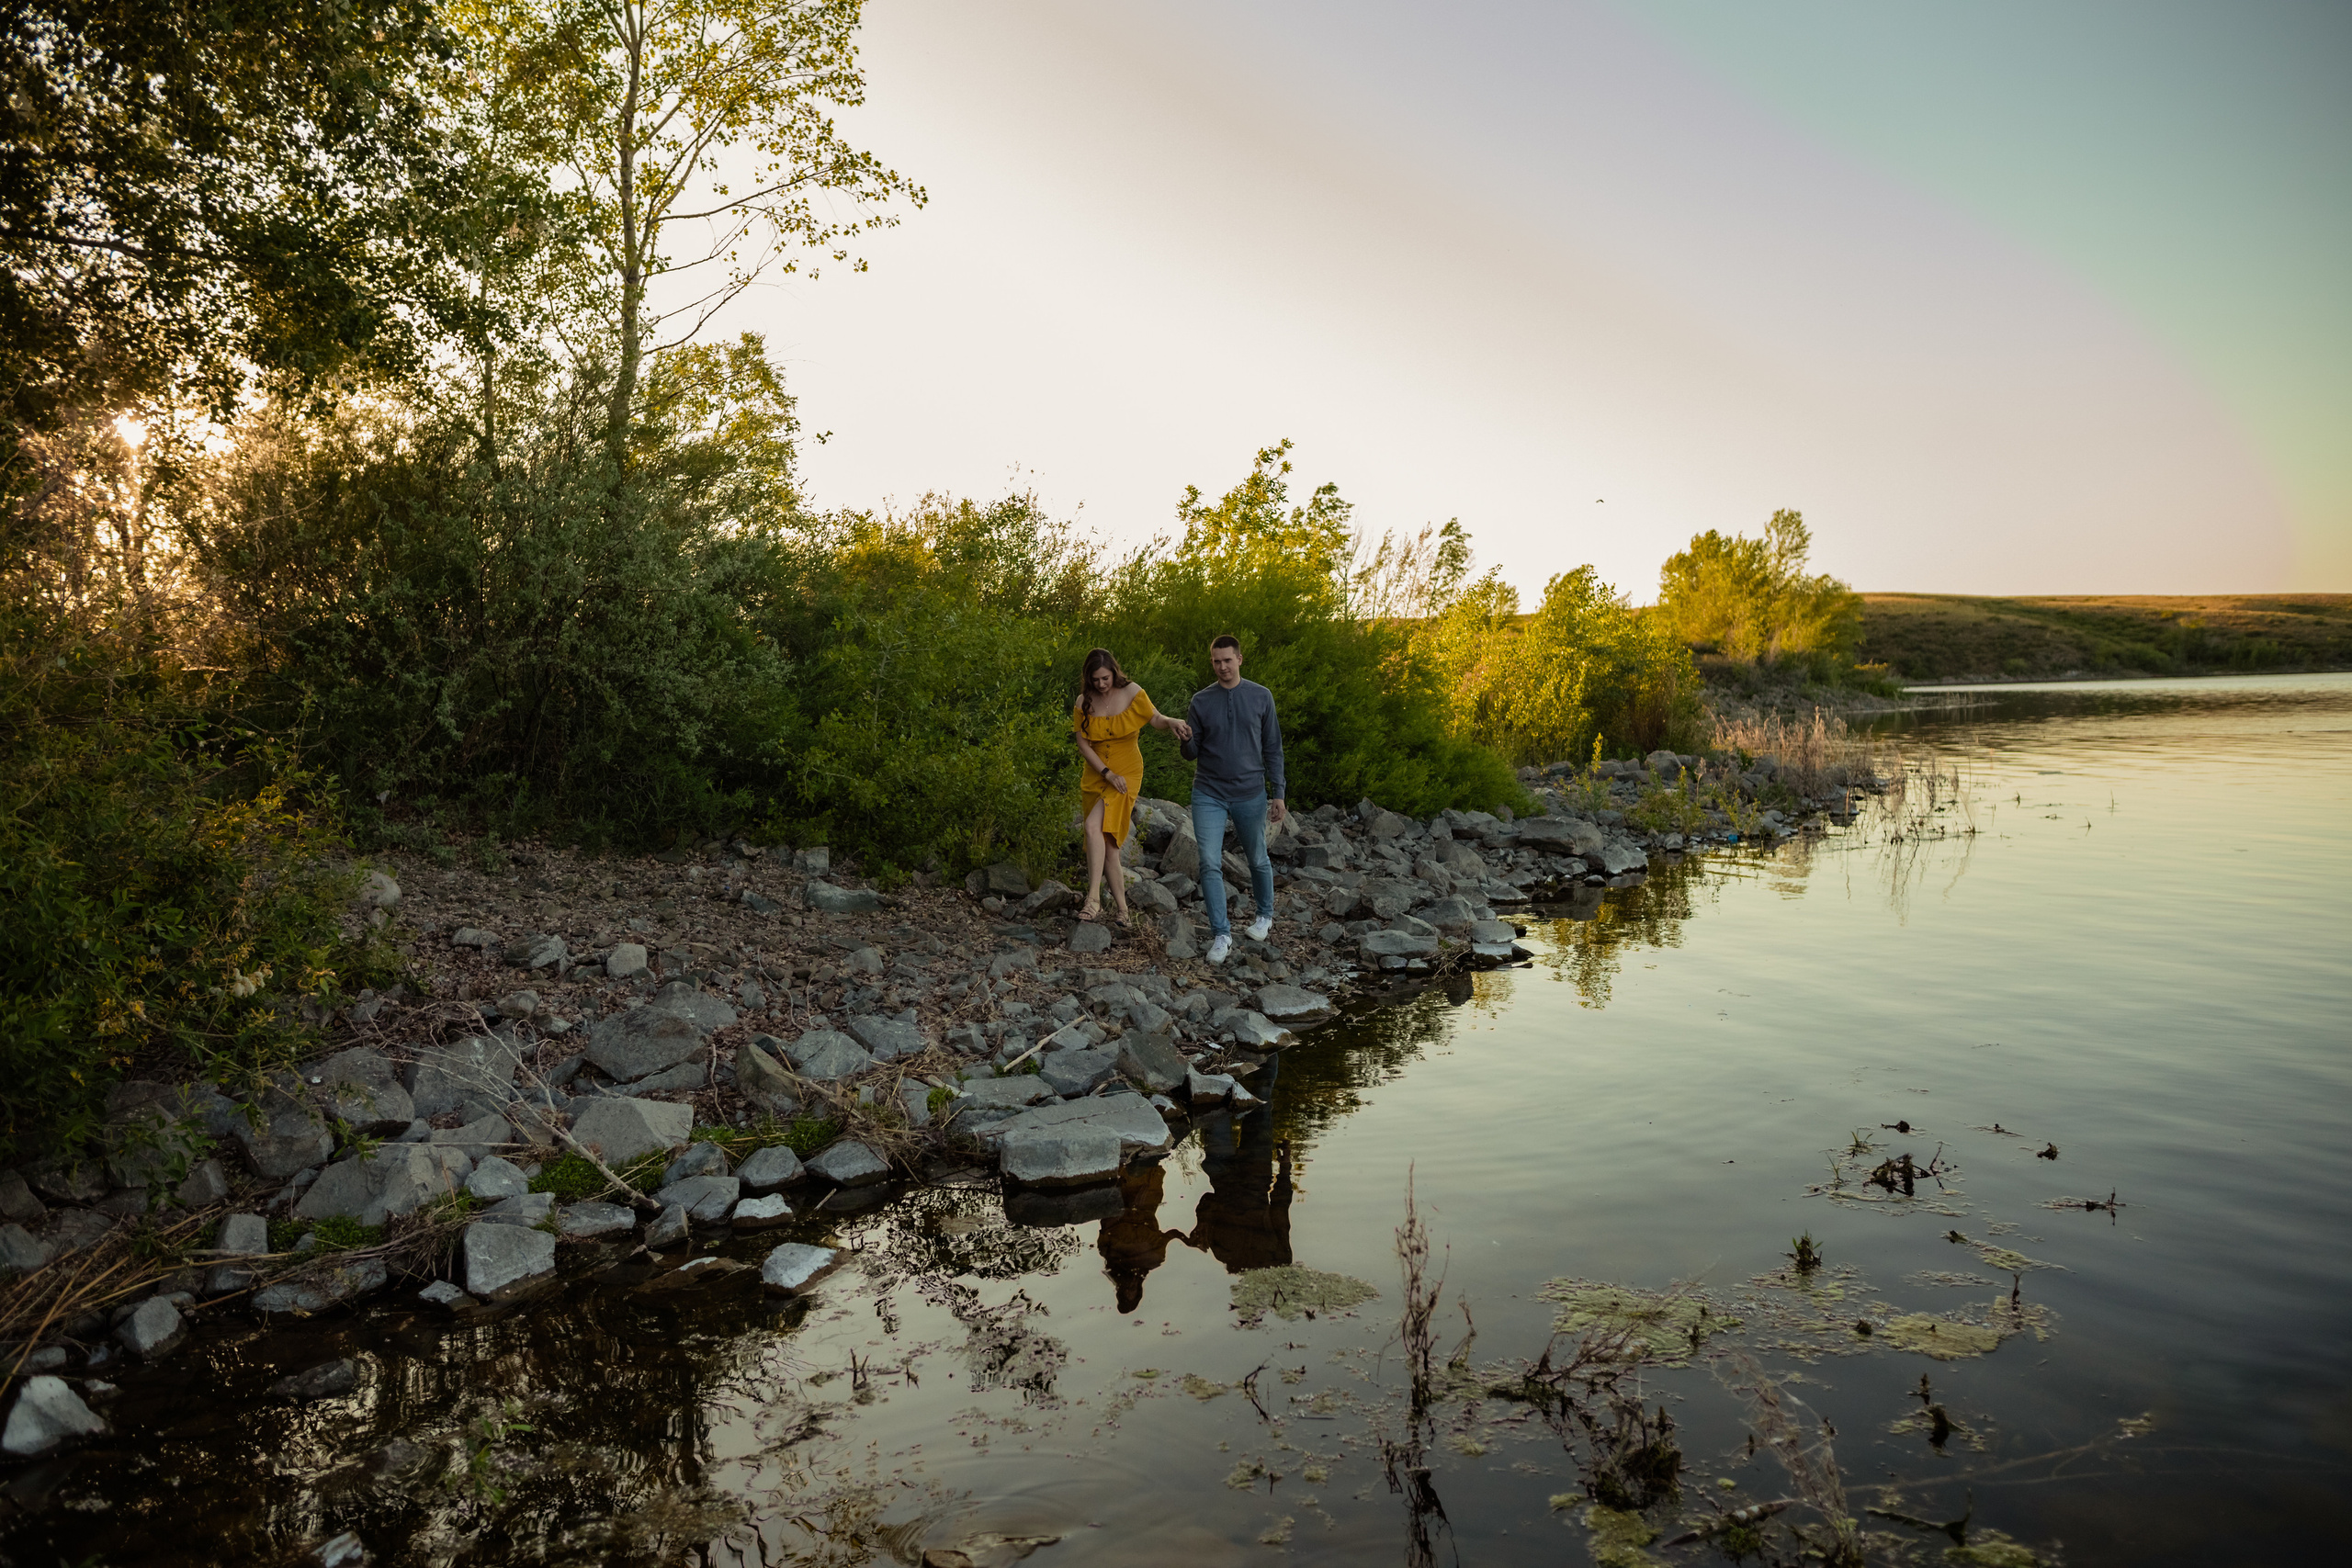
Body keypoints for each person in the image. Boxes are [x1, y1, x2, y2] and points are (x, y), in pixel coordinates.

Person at [1182, 634, 1285, 965]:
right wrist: (1184, 739)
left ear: (1239, 659)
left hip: (1250, 792)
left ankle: (1264, 916)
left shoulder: (1261, 697)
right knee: (1209, 862)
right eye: (1216, 661)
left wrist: (1278, 793)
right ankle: (1221, 934)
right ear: (1211, 662)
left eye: (1228, 660)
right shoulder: (1200, 701)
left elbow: (1273, 748)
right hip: (1208, 792)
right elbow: (1191, 753)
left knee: (1257, 858)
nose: (1222, 666)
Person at [1070, 647, 1193, 925]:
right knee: (1109, 844)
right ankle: (1124, 912)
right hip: (1097, 775)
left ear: (1114, 672)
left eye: (1105, 678)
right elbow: (1082, 743)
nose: (1101, 684)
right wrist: (1105, 772)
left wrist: (1172, 721)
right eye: (1096, 680)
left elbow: (1155, 719)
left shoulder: (1132, 692)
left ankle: (1093, 901)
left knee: (1091, 827)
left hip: (1126, 774)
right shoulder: (1083, 701)